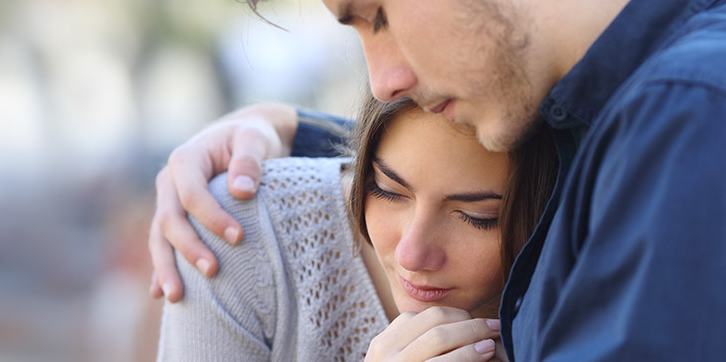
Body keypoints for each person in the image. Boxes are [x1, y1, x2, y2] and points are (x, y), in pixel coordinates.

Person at [150, 0, 726, 359]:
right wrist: (294, 129)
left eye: (378, 16)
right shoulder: (641, 116)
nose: (384, 81)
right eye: (386, 187)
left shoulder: (689, 121)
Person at [157, 96, 556, 360]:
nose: (410, 255)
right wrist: (283, 122)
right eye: (387, 190)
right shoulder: (241, 231)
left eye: (477, 217)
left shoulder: (579, 285)